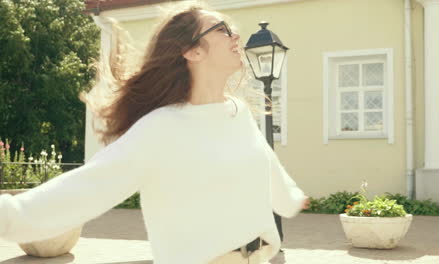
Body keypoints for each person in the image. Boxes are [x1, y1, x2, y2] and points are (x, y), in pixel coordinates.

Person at [0, 2, 310, 264]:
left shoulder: (237, 112)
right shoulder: (162, 127)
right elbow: (86, 188)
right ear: (192, 52)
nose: (236, 35)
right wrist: (8, 216)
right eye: (222, 30)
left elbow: (264, 161)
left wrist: (291, 198)